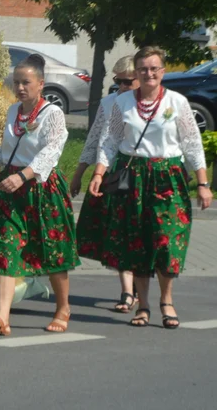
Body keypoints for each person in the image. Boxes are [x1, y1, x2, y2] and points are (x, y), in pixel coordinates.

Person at [88, 46, 212, 329]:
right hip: (134, 176)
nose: (149, 73)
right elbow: (109, 141)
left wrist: (203, 184)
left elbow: (193, 144)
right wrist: (98, 173)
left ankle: (166, 300)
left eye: (154, 68)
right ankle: (142, 306)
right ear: (137, 72)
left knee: (167, 241)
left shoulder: (177, 102)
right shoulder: (122, 104)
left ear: (162, 71)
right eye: (143, 68)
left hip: (167, 176)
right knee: (138, 242)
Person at [0, 54, 78, 336]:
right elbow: (6, 150)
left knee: (51, 251)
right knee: (5, 247)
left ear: (41, 84)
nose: (20, 87)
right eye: (16, 82)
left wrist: (23, 176)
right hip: (11, 187)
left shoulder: (53, 113)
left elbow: (51, 151)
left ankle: (63, 306)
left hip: (41, 188)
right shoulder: (14, 111)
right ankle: (2, 318)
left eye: (26, 82)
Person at [73, 55, 139, 313]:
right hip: (111, 174)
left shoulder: (150, 105)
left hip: (140, 174)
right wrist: (79, 174)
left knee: (136, 234)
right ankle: (127, 291)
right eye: (117, 80)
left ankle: (136, 288)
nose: (121, 86)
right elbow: (94, 141)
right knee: (118, 232)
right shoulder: (108, 103)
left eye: (127, 81)